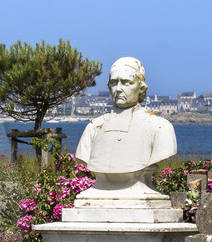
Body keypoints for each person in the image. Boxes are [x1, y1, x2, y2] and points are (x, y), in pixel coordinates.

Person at [75, 57, 177, 201]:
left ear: (141, 88)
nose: (118, 89)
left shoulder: (160, 127)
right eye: (113, 83)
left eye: (126, 82)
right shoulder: (93, 127)